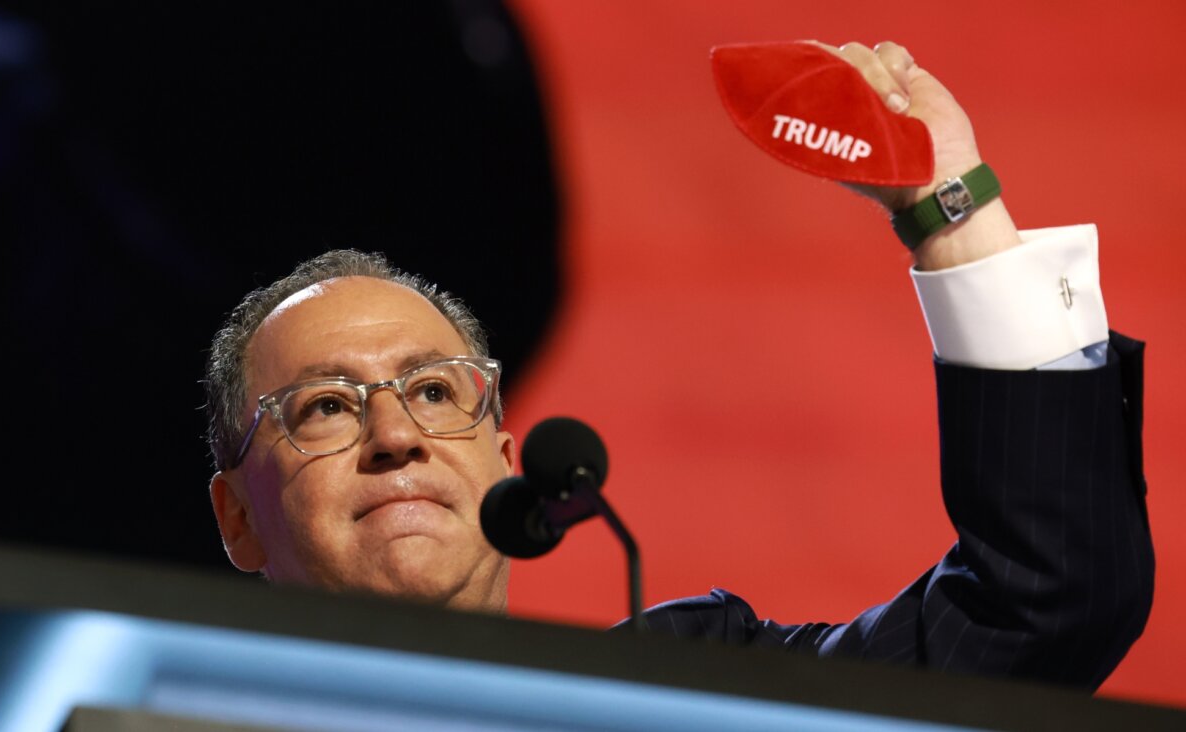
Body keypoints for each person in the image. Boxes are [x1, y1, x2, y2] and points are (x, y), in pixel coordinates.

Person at [203, 42, 1152, 689]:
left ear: (502, 456)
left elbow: (1047, 602)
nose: (397, 436)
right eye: (325, 406)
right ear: (237, 517)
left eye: (435, 391)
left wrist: (949, 205)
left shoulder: (691, 688)